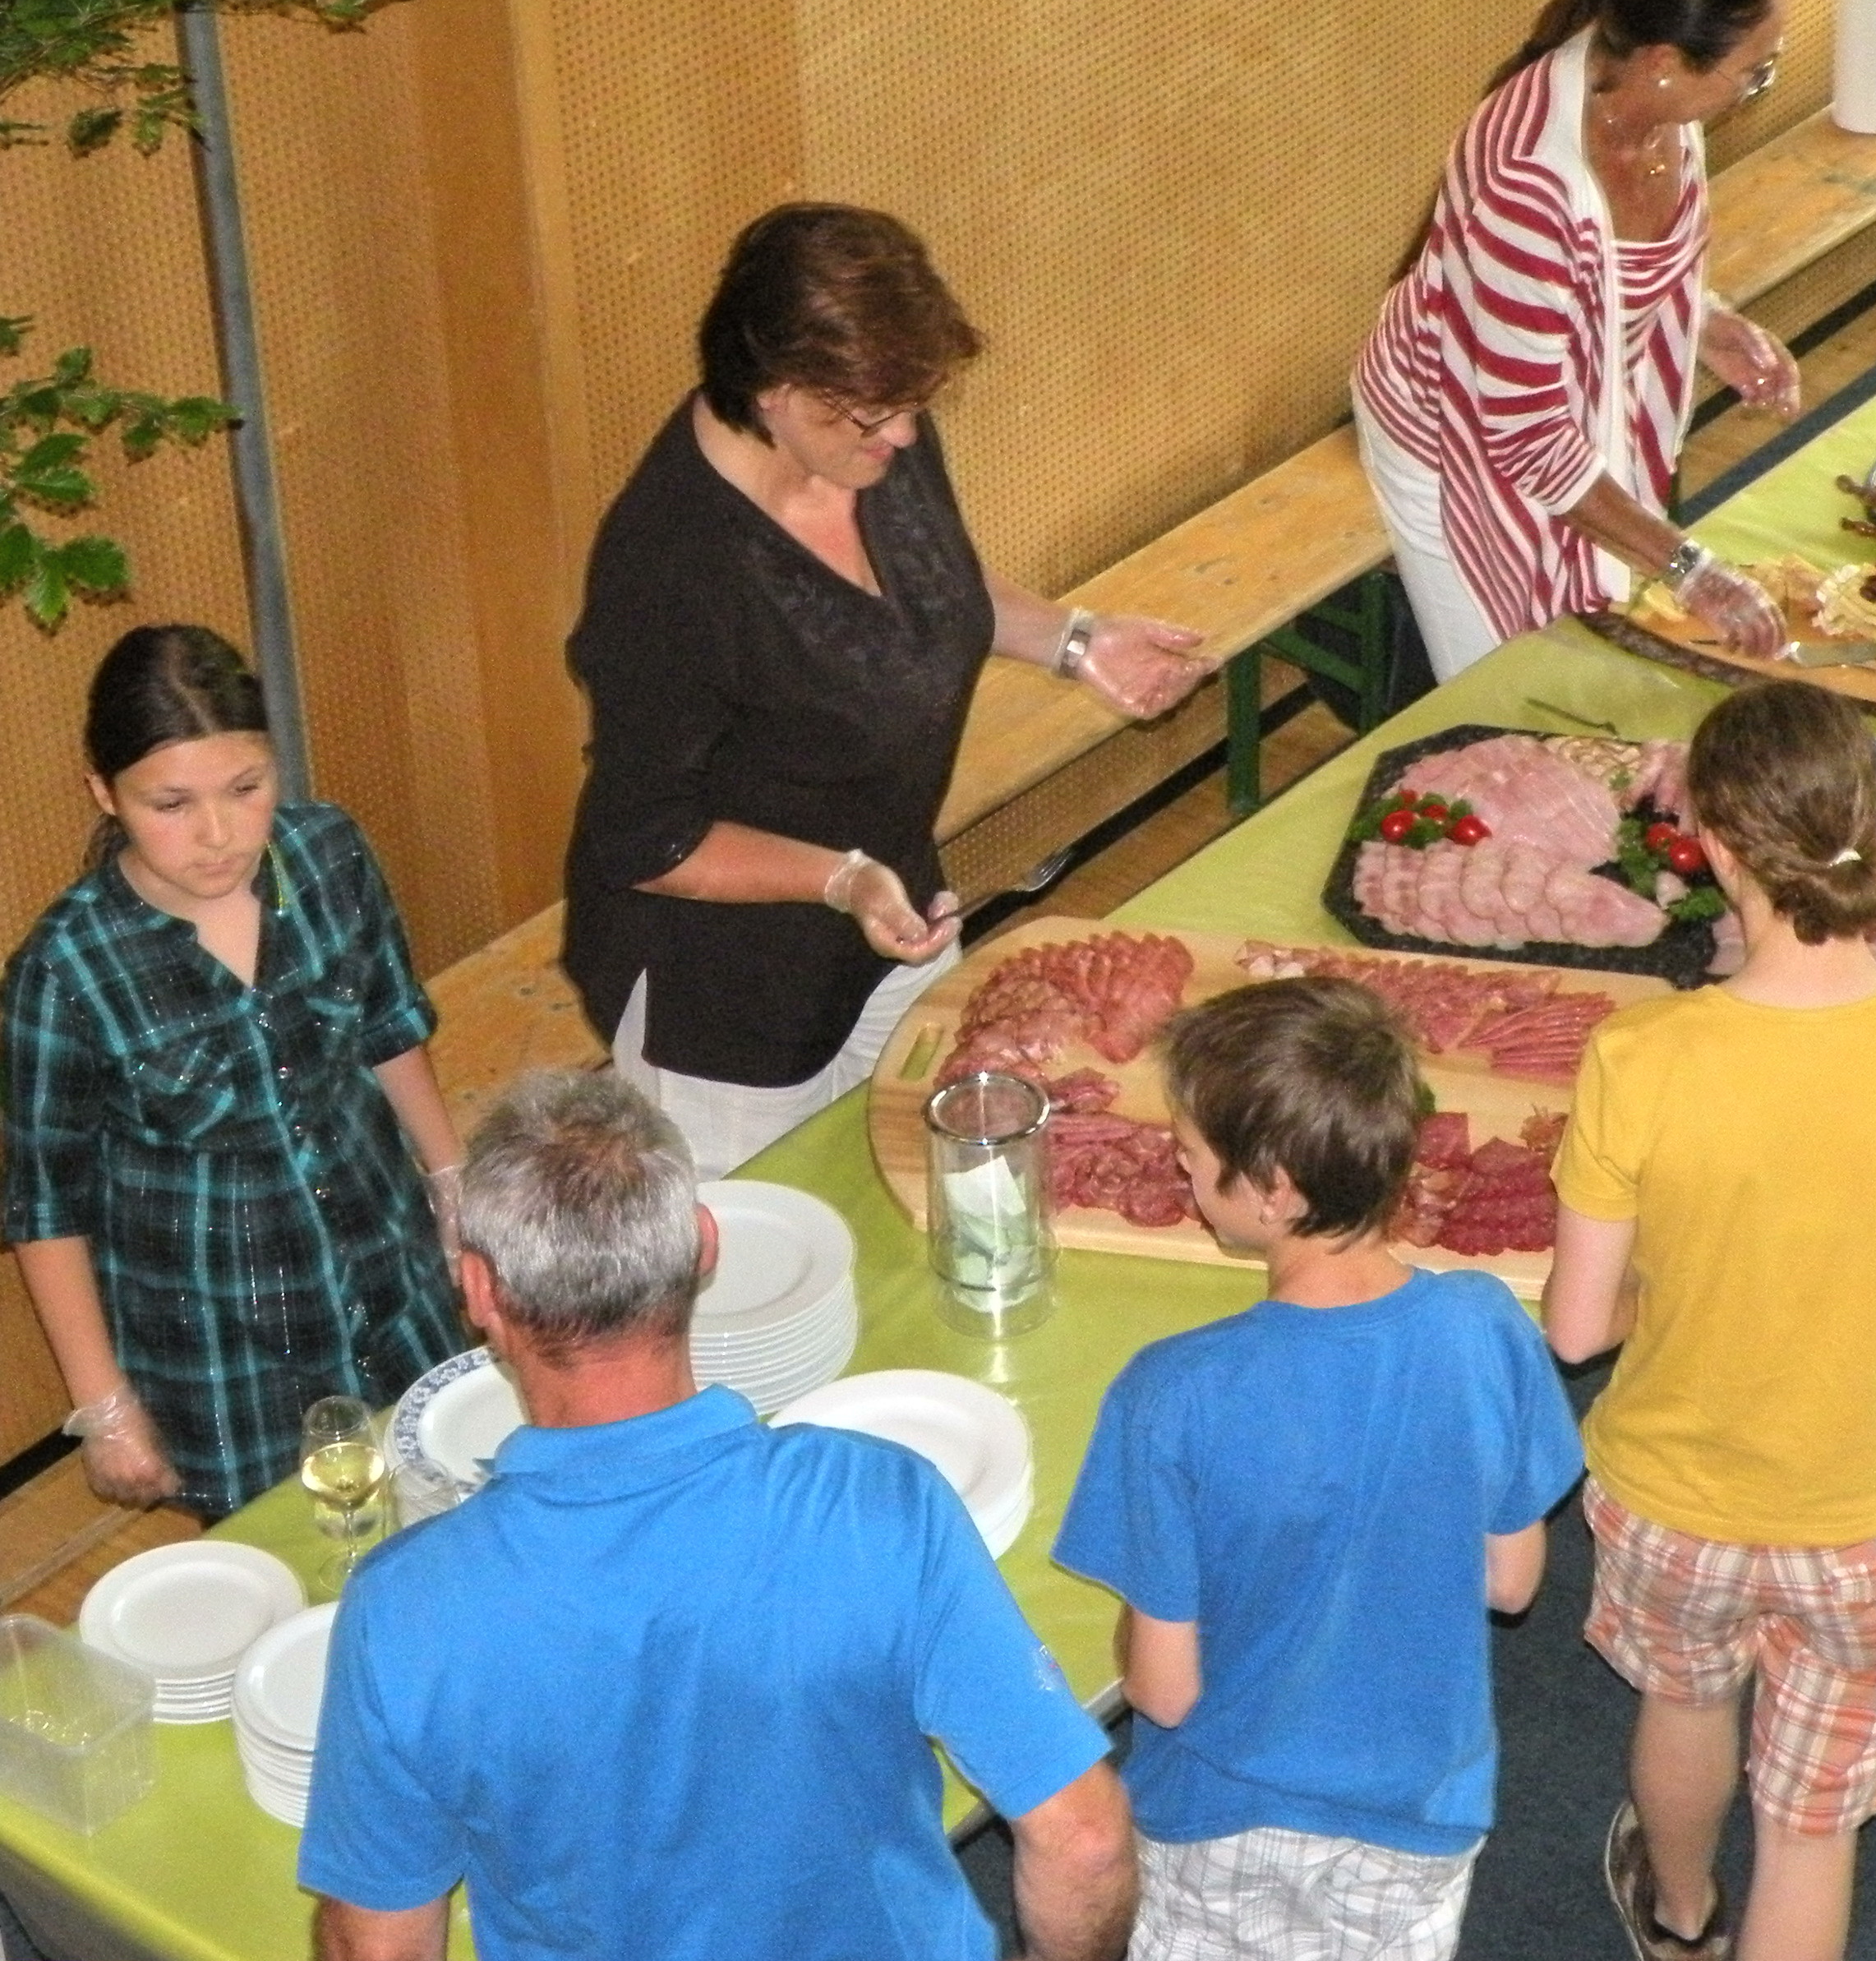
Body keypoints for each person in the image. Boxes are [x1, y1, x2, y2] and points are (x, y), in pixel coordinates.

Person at [300, 1068, 1134, 1961]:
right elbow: (1084, 1840)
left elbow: (380, 1946)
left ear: (479, 1291)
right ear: (704, 1246)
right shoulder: (878, 1506)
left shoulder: (405, 1611)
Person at [1546, 679, 1876, 1946]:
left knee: (1684, 1705)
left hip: (1677, 1495)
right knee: (1813, 1827)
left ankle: (1680, 1910)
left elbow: (1577, 1329)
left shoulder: (1640, 1056)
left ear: (1714, 845)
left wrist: (1694, 1271)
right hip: (1872, 1510)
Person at [564, 204, 1213, 1181]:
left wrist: (1077, 641)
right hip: (731, 1001)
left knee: (917, 1185)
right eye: (876, 417)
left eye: (916, 405)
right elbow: (645, 840)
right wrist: (840, 879)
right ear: (778, 392)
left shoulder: (872, 434)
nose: (907, 436)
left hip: (895, 911)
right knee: (779, 1232)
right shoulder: (672, 572)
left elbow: (934, 583)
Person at [1054, 980, 1581, 1961]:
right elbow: (1511, 1582)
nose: (1177, 1164)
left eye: (1191, 1154)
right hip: (1420, 1810)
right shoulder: (1485, 1324)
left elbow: (1164, 1694)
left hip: (1222, 1814)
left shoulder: (1171, 1392)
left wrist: (1136, 1622)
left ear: (1275, 1189)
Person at [2, 625, 467, 1520]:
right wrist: (105, 1408)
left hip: (388, 1274)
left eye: (246, 789)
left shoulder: (330, 854)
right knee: (286, 1561)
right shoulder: (63, 971)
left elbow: (389, 1024)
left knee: (443, 1510)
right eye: (170, 804)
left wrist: (452, 1181)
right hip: (223, 1348)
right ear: (104, 792)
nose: (217, 835)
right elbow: (46, 1206)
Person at [1353, 0, 1803, 681]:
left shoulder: (1656, 105)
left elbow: (1607, 278)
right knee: (1516, 686)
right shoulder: (1527, 187)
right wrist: (1690, 569)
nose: (1755, 89)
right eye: (1754, 71)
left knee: (1603, 645)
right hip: (1457, 436)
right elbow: (1525, 439)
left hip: (1562, 409)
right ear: (1666, 61)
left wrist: (1706, 322)